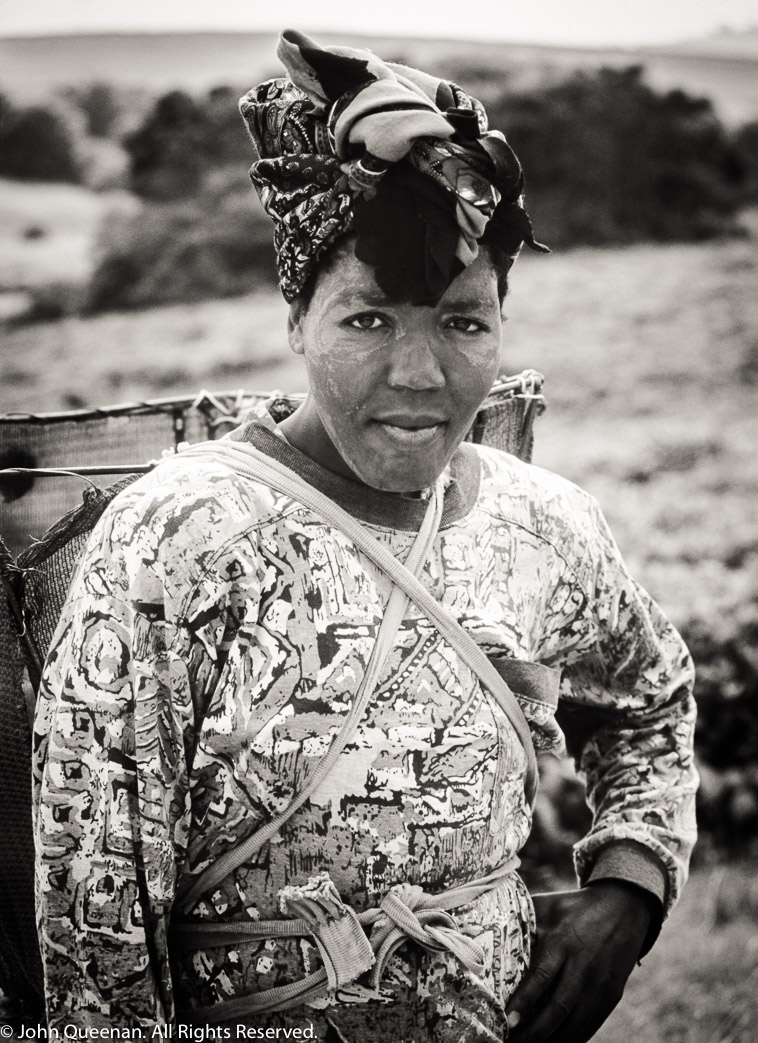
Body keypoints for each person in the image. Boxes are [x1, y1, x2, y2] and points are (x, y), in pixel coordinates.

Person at [33, 29, 698, 1042]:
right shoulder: (177, 541)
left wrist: (628, 887)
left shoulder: (542, 522)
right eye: (369, 320)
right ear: (295, 320)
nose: (422, 375)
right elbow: (96, 919)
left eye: (462, 322)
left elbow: (649, 698)